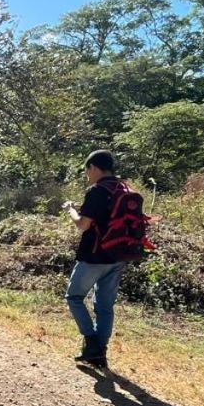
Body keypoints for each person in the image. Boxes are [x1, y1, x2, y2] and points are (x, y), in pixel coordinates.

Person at [62, 149, 126, 369]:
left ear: (94, 167)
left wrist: (70, 209)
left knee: (74, 297)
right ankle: (100, 351)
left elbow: (83, 224)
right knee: (105, 306)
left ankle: (92, 344)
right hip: (118, 256)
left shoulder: (97, 190)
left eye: (87, 170)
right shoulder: (123, 189)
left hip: (94, 256)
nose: (87, 175)